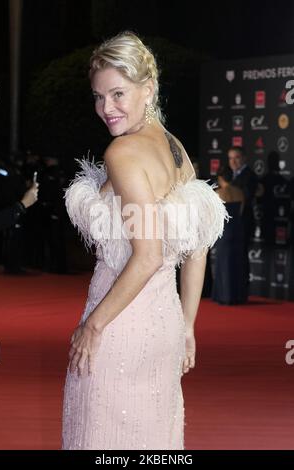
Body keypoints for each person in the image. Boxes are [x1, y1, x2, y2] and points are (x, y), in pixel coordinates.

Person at [61, 31, 229, 450]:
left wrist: (93, 324)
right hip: (164, 325)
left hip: (118, 328)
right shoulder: (175, 150)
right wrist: (187, 325)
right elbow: (198, 242)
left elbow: (148, 254)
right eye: (99, 97)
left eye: (118, 94)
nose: (106, 108)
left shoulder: (123, 153)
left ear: (148, 88)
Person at [211, 165, 247, 304]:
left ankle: (225, 296)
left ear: (220, 178)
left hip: (225, 232)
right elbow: (241, 212)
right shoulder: (240, 192)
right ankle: (237, 296)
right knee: (237, 264)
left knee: (224, 264)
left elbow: (215, 216)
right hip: (238, 230)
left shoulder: (218, 193)